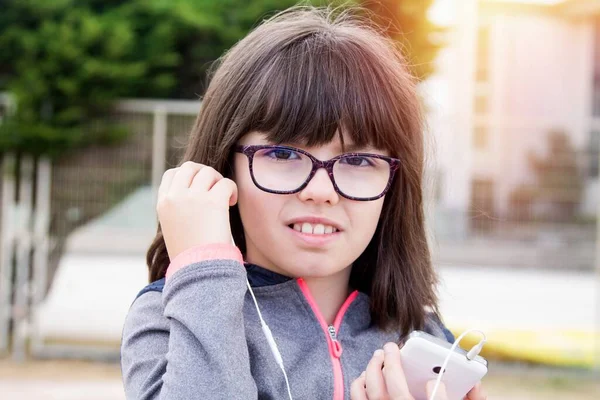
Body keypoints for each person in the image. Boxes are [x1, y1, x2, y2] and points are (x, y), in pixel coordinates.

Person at [120, 5, 487, 400]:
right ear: (226, 167)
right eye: (283, 155)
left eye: (359, 160)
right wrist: (204, 271)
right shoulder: (173, 319)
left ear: (393, 184)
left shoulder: (421, 340)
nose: (321, 190)